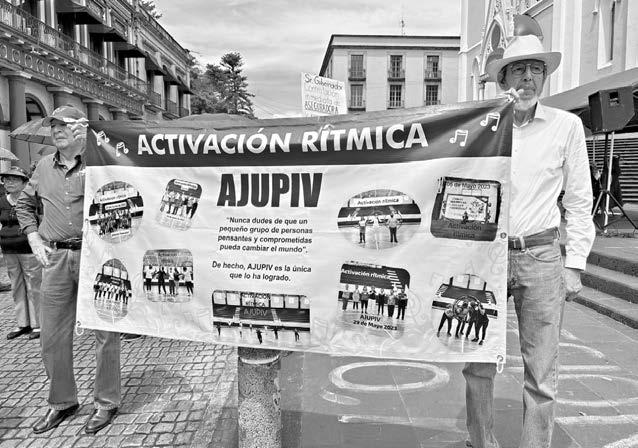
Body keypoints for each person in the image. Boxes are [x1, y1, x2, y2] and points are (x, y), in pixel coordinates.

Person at [463, 35, 594, 448]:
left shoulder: (566, 126)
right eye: (518, 69)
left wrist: (575, 264)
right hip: (486, 255)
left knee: (541, 370)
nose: (528, 78)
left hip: (540, 254)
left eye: (536, 69)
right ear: (503, 78)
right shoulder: (482, 126)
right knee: (478, 361)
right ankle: (480, 442)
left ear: (544, 77)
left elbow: (579, 200)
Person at [16, 105, 121, 435]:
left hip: (97, 256)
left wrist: (93, 143)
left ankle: (106, 402)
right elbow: (24, 204)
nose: (57, 130)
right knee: (51, 336)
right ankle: (62, 402)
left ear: (80, 128)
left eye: (64, 124)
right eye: (53, 125)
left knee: (105, 332)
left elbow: (123, 188)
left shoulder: (100, 161)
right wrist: (33, 237)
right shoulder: (43, 166)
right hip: (56, 259)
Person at [1, 166, 42, 340]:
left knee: (34, 286)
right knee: (16, 286)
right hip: (9, 250)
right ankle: (22, 323)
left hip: (28, 248)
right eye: (7, 179)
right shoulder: (2, 201)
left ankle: (37, 324)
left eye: (14, 179)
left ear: (25, 183)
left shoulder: (31, 200)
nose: (9, 182)